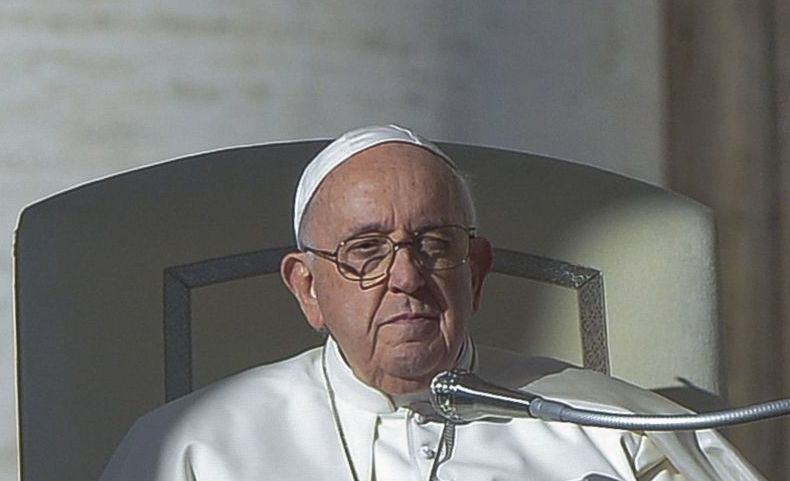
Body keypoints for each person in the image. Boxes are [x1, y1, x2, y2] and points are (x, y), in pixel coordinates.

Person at [99, 125, 764, 481]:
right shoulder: (191, 450)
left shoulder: (616, 431)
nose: (406, 277)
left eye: (434, 244)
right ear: (307, 287)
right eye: (366, 251)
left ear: (475, 270)